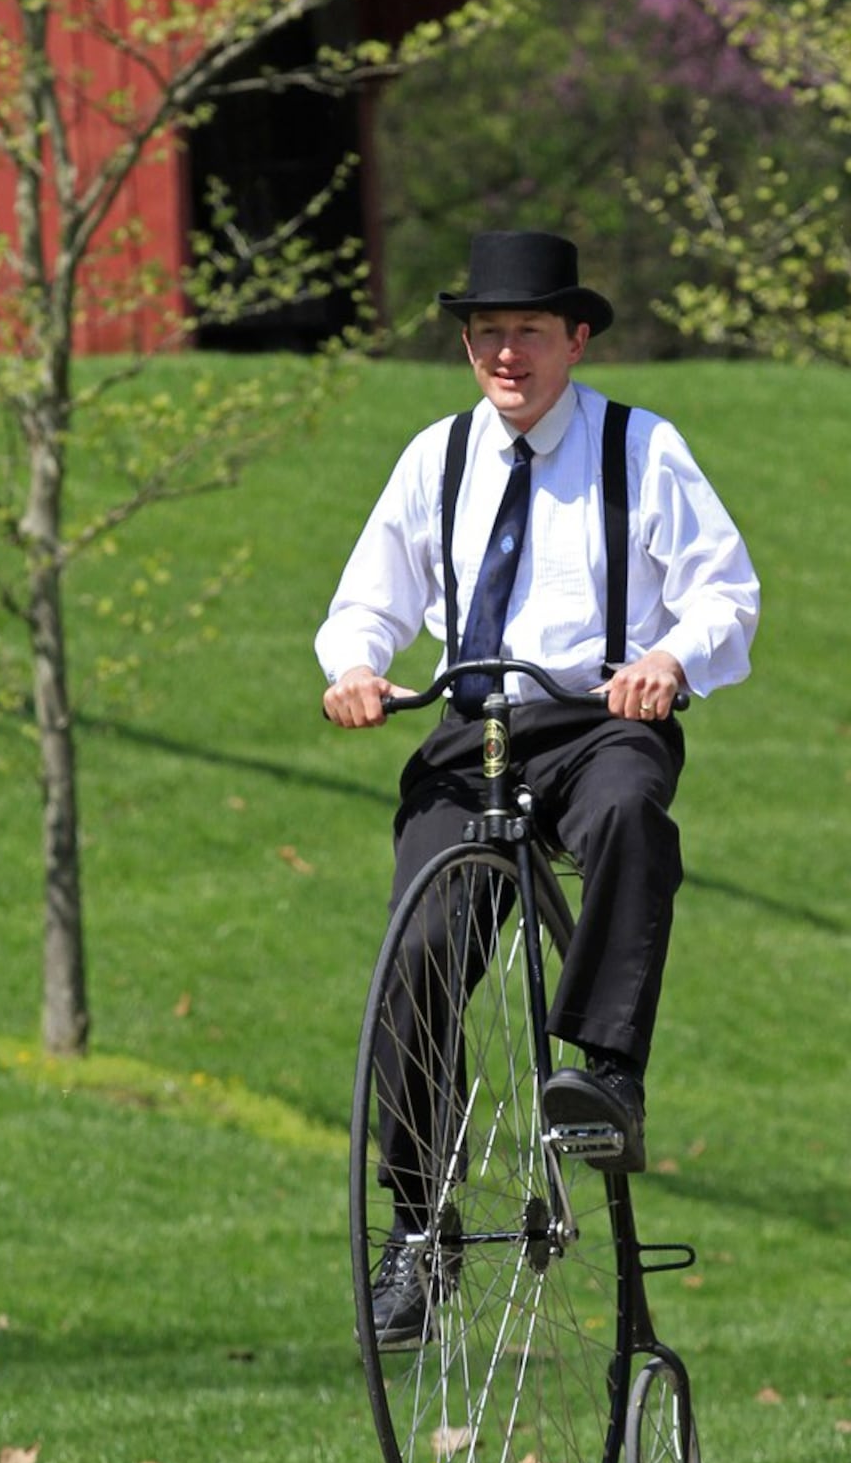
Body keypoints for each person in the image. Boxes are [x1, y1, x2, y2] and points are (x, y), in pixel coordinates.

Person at [319, 229, 760, 1342]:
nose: (503, 354)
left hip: (600, 714)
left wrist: (670, 660)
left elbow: (725, 595)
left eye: (524, 331)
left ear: (574, 337)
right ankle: (419, 1227)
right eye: (484, 335)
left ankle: (606, 1070)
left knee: (624, 813)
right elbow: (367, 595)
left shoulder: (640, 448)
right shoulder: (438, 457)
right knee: (416, 954)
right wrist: (357, 667)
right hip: (473, 722)